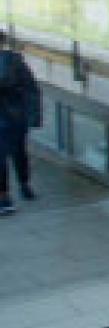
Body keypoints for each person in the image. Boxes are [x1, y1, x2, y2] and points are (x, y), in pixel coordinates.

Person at [0, 31, 41, 216]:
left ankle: (17, 188)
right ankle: (10, 193)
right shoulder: (15, 61)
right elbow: (31, 89)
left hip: (12, 116)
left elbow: (31, 89)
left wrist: (33, 116)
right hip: (13, 117)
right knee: (10, 155)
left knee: (17, 154)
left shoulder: (13, 62)